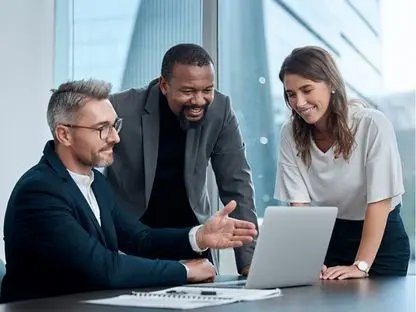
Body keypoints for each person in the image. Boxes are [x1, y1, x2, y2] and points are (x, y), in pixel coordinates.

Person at [0, 79, 257, 303]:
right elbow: (103, 268)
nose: (115, 138)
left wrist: (199, 237)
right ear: (64, 134)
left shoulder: (95, 183)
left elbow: (139, 238)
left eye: (115, 126)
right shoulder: (39, 191)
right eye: (103, 128)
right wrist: (184, 271)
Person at [106, 43, 258, 275]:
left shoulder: (220, 108)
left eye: (207, 89)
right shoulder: (120, 107)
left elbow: (237, 184)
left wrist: (249, 263)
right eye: (188, 91)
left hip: (193, 237)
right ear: (164, 85)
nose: (199, 100)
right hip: (134, 240)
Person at [275, 46, 410, 279]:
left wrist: (360, 265)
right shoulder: (290, 134)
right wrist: (308, 258)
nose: (299, 102)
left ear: (331, 84)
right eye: (291, 94)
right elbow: (299, 207)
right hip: (330, 238)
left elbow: (380, 201)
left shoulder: (372, 124)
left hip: (381, 239)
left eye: (307, 90)